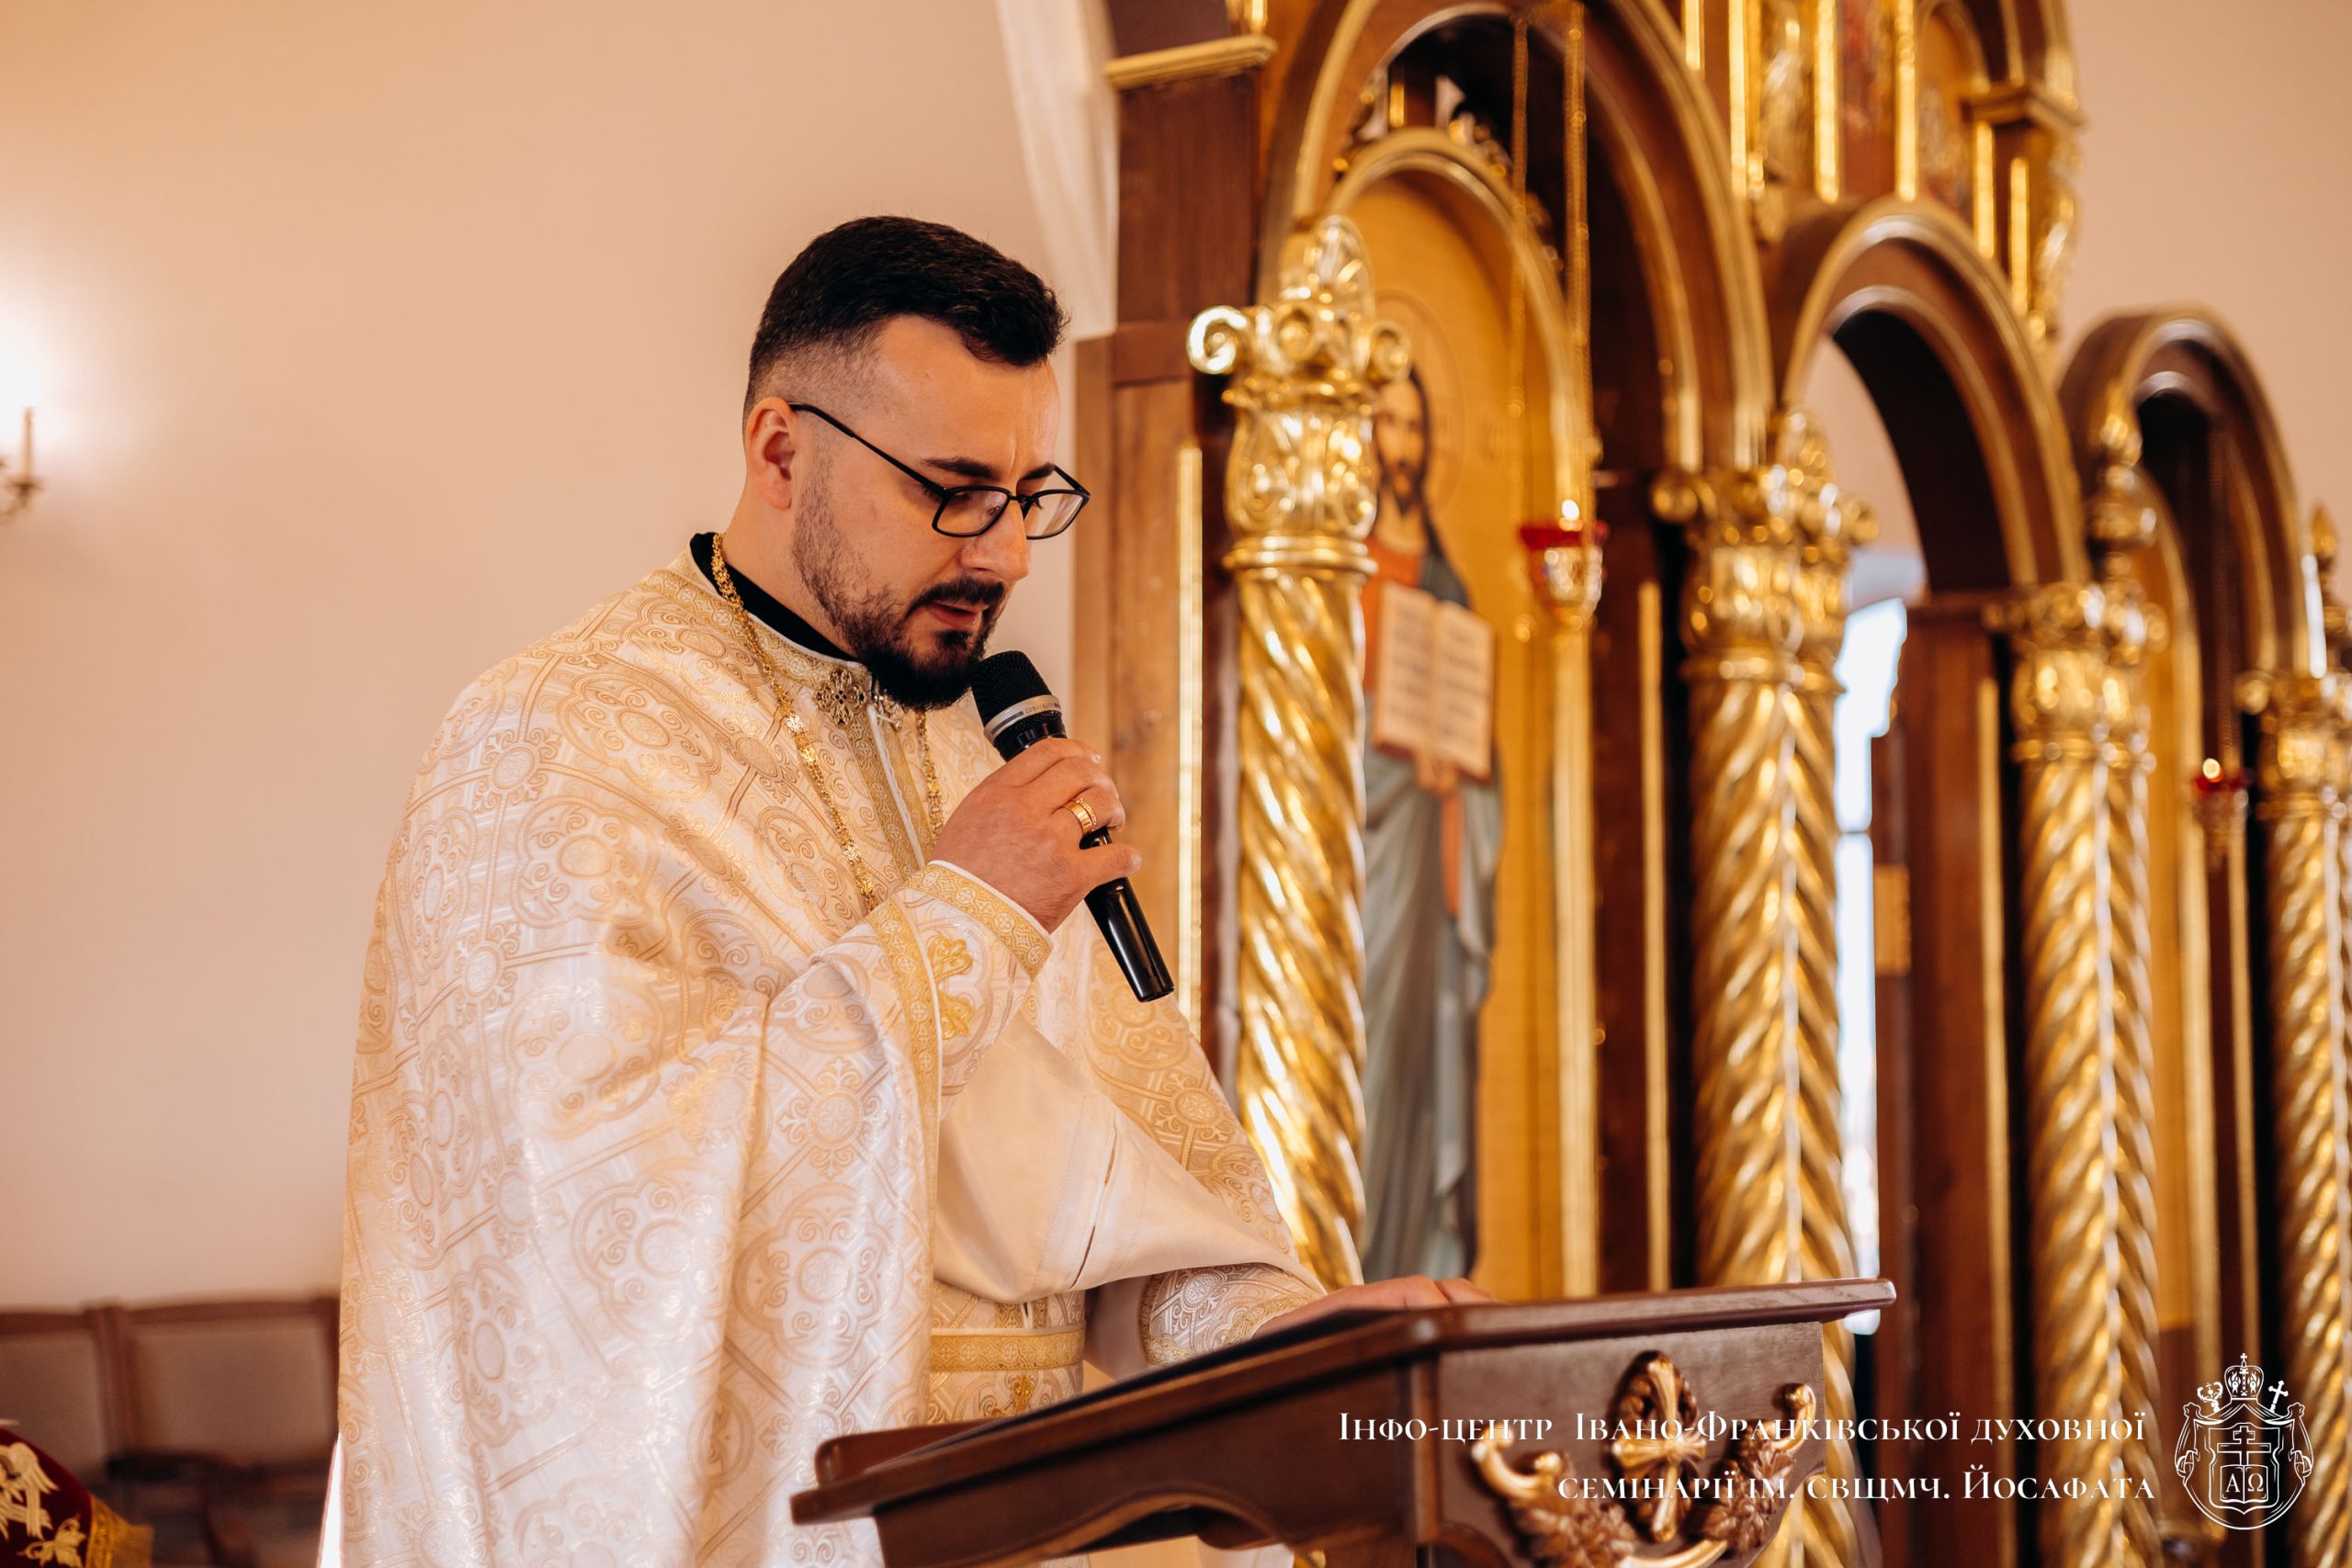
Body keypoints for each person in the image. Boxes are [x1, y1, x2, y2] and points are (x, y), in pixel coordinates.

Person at [337, 216, 1487, 1567]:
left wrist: (1272, 1338)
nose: (1003, 555)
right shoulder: (554, 740)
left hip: (1057, 1522)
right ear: (781, 451)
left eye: (1028, 494)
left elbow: (1092, 1184)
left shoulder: (974, 752)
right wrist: (961, 922)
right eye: (953, 490)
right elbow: (575, 1239)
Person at [1358, 367, 1503, 1282]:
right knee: (1371, 1047)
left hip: (1433, 858)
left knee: (1426, 1061)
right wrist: (1391, 749)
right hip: (1371, 856)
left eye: (1414, 427)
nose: (1402, 447)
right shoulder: (1342, 572)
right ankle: (1359, 1252)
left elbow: (1485, 758)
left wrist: (1458, 777)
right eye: (1387, 423)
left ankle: (1424, 1259)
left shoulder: (1447, 583)